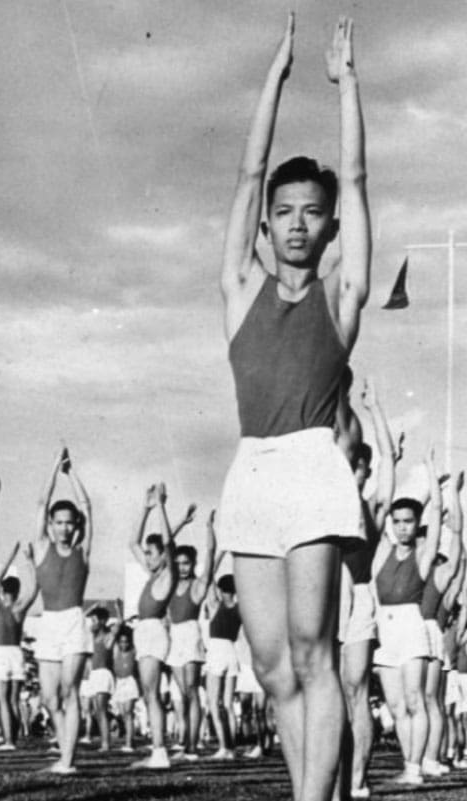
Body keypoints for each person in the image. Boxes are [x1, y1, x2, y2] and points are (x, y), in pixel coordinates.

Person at [217, 15, 370, 801]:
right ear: (269, 226)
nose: (297, 223)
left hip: (312, 462)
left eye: (313, 212)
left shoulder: (341, 299)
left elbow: (358, 176)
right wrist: (273, 78)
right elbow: (247, 179)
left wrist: (347, 89)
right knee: (273, 665)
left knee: (316, 650)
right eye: (285, 213)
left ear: (329, 225)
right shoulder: (240, 291)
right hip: (253, 468)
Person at [337, 379, 395, 797]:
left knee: (355, 689)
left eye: (358, 466)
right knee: (328, 689)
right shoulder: (321, 498)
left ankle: (358, 779)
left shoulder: (371, 508)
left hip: (357, 598)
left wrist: (374, 410)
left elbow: (389, 464)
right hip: (321, 597)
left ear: (363, 471)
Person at [373, 455, 442, 784]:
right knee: (397, 705)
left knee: (415, 700)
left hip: (411, 627)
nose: (403, 526)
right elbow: (382, 507)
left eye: (409, 521)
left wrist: (430, 475)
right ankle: (408, 764)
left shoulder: (424, 555)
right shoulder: (382, 551)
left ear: (417, 524)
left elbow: (437, 520)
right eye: (398, 521)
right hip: (384, 629)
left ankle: (415, 766)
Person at [31, 446, 92, 773]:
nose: (64, 528)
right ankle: (64, 753)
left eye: (69, 523)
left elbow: (88, 508)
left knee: (70, 692)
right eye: (59, 523)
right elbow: (41, 504)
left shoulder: (82, 552)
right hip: (48, 624)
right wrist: (55, 467)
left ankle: (68, 761)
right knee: (50, 698)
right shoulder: (41, 547)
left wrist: (73, 474)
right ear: (51, 525)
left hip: (73, 622)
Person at [128, 483, 180, 769]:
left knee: (152, 694)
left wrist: (160, 506)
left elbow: (170, 544)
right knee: (149, 694)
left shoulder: (166, 576)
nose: (146, 557)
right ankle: (157, 750)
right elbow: (132, 543)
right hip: (145, 632)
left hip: (153, 633)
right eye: (147, 554)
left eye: (152, 553)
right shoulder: (152, 574)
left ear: (162, 556)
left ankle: (159, 753)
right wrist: (145, 508)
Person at [420, 473, 464, 777]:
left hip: (435, 648)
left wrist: (453, 499)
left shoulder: (444, 593)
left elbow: (458, 564)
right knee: (426, 704)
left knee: (434, 704)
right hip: (415, 641)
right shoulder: (414, 583)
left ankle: (435, 756)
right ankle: (427, 755)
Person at [165, 516, 217, 760]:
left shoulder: (198, 585)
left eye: (186, 563)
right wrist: (181, 523)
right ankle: (187, 743)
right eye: (179, 563)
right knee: (183, 694)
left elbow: (210, 555)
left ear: (192, 563)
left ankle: (193, 748)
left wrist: (209, 529)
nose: (182, 567)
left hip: (190, 634)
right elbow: (167, 545)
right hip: (174, 637)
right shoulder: (170, 583)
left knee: (192, 691)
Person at [0, 548, 36, 754]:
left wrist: (11, 555)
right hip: (16, 653)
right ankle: (11, 739)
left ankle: (8, 740)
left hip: (0, 653)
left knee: (2, 700)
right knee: (13, 700)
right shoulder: (19, 609)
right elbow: (34, 589)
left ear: (4, 591)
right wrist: (30, 562)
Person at [203, 569, 241, 761]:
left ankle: (223, 747)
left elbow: (208, 579)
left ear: (220, 589)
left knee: (213, 703)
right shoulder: (239, 608)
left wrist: (218, 555)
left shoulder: (215, 605)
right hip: (232, 652)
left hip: (217, 651)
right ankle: (232, 748)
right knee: (228, 704)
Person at [85, 607, 116, 753]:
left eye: (95, 620)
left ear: (103, 621)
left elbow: (119, 625)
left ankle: (106, 743)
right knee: (97, 711)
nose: (92, 623)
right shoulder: (94, 635)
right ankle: (105, 741)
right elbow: (83, 618)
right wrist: (93, 608)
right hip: (95, 674)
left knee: (102, 710)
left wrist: (117, 609)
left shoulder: (107, 636)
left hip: (104, 673)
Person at [111, 625, 139, 752]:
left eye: (126, 642)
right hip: (119, 682)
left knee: (128, 713)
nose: (124, 644)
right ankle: (129, 737)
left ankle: (129, 743)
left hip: (130, 681)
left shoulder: (133, 651)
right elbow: (115, 635)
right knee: (123, 713)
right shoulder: (116, 651)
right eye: (121, 642)